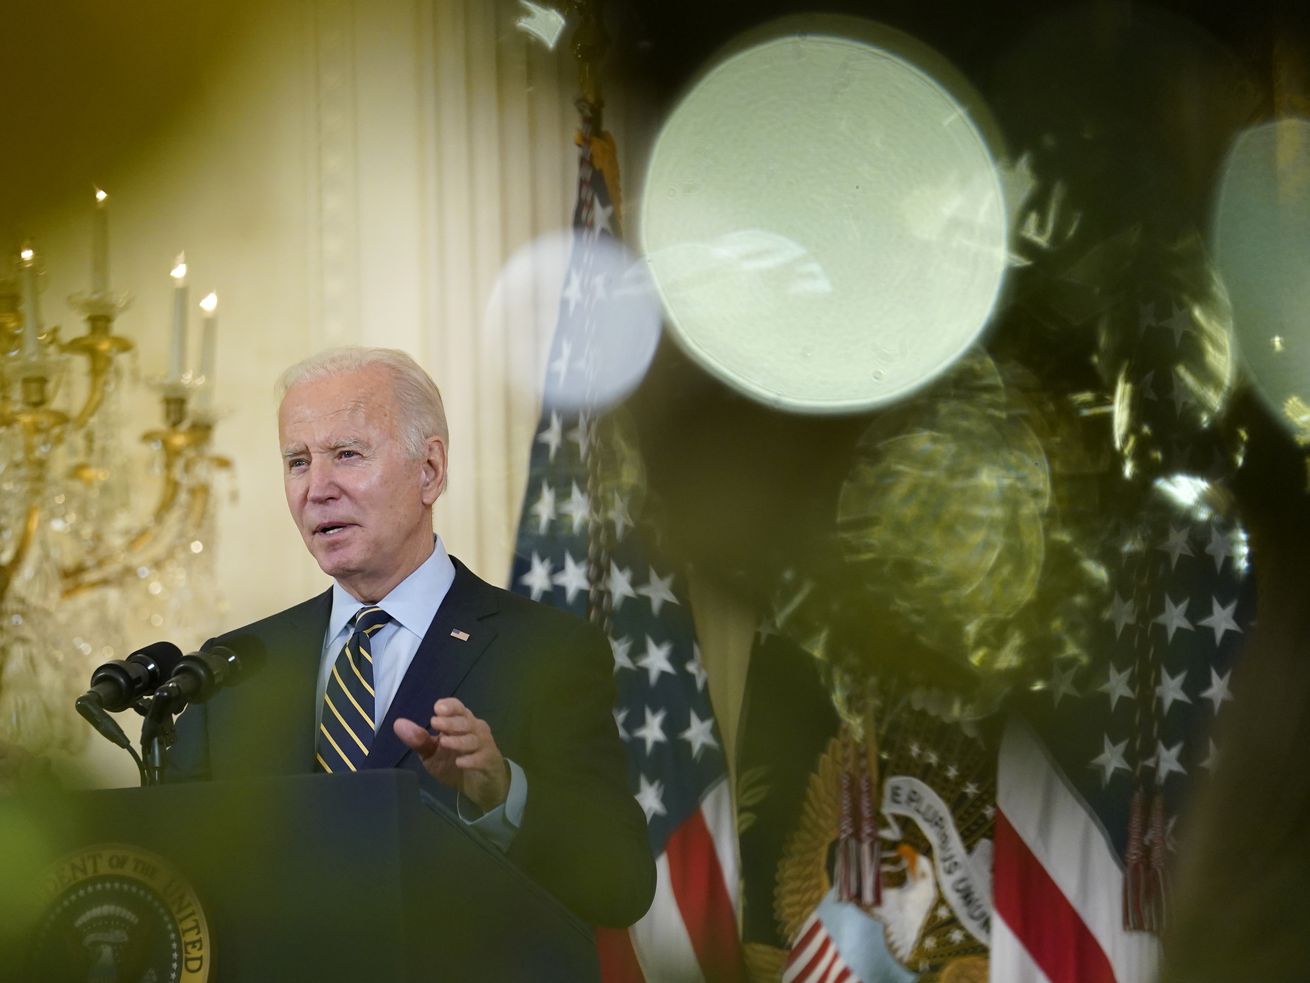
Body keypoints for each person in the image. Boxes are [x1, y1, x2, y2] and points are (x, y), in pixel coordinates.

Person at [166, 346, 655, 928]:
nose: (316, 488)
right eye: (297, 462)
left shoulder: (546, 650)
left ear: (430, 470)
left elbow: (620, 884)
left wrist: (502, 793)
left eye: (347, 454)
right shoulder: (234, 666)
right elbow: (175, 875)